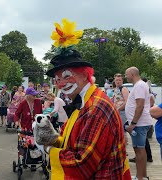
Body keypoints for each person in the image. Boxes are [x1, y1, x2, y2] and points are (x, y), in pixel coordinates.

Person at [41, 18, 130, 179]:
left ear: (84, 75)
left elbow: (81, 163)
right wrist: (52, 138)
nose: (62, 83)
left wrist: (48, 149)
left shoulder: (95, 108)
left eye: (67, 76)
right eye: (58, 79)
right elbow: (73, 143)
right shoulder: (82, 103)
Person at [125, 67, 152, 180]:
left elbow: (140, 105)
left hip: (138, 124)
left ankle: (140, 177)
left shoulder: (139, 85)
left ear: (132, 74)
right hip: (139, 124)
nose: (126, 76)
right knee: (140, 150)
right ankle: (143, 176)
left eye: (126, 74)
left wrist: (133, 123)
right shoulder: (139, 85)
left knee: (139, 151)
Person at [112, 73, 129, 144]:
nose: (118, 81)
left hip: (122, 112)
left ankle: (124, 148)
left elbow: (127, 101)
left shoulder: (123, 89)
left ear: (122, 81)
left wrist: (119, 109)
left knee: (122, 130)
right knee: (118, 129)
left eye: (119, 80)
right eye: (116, 80)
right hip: (117, 112)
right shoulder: (116, 89)